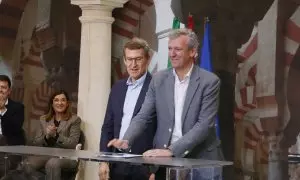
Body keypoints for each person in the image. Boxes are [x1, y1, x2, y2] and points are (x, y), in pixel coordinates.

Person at [108, 29, 224, 180]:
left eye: (178, 49)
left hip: (201, 161)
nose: (172, 54)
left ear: (192, 52)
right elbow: (143, 116)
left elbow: (204, 125)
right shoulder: (158, 79)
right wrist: (126, 139)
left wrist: (172, 150)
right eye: (170, 49)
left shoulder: (209, 81)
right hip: (165, 162)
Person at [99, 38, 156, 180]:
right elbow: (107, 127)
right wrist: (104, 160)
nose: (133, 65)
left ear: (147, 60)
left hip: (144, 165)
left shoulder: (156, 86)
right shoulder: (118, 87)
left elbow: (161, 129)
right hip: (117, 162)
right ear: (124, 60)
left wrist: (155, 168)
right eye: (129, 59)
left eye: (138, 59)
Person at [23, 90, 81, 180]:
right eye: (56, 100)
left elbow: (73, 143)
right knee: (27, 163)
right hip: (47, 154)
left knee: (53, 163)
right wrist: (47, 137)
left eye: (63, 100)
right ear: (52, 104)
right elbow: (36, 141)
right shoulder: (44, 119)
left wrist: (56, 135)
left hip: (67, 157)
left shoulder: (74, 120)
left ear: (67, 103)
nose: (60, 103)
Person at [0, 74, 25, 177]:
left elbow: (14, 129)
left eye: (3, 88)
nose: (0, 90)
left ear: (9, 91)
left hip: (9, 148)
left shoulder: (18, 108)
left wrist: (2, 110)